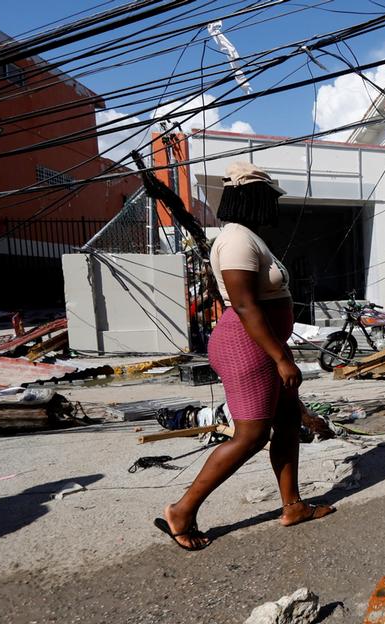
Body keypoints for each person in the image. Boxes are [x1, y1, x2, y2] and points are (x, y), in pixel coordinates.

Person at [156, 162, 334, 550]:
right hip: (247, 346)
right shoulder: (236, 240)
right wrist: (281, 358)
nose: (274, 206)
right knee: (252, 436)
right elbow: (244, 305)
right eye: (269, 198)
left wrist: (281, 351)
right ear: (252, 199)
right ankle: (182, 510)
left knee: (288, 423)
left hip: (265, 343)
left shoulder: (250, 238)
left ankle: (293, 506)